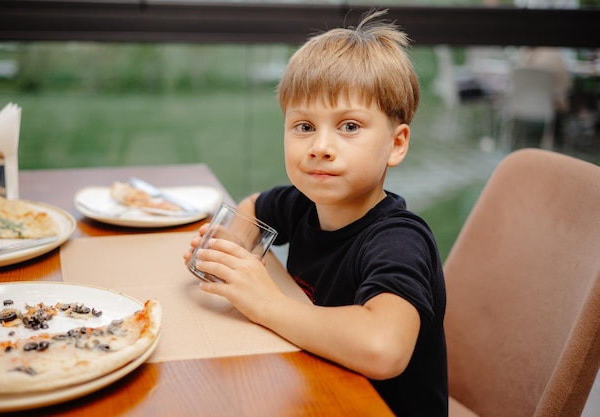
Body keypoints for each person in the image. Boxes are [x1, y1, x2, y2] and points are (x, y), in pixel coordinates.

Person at [184, 9, 448, 417]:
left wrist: (267, 304)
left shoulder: (399, 240)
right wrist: (233, 252)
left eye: (349, 127)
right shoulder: (304, 204)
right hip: (314, 390)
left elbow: (384, 348)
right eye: (304, 126)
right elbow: (255, 205)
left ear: (396, 145)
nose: (320, 146)